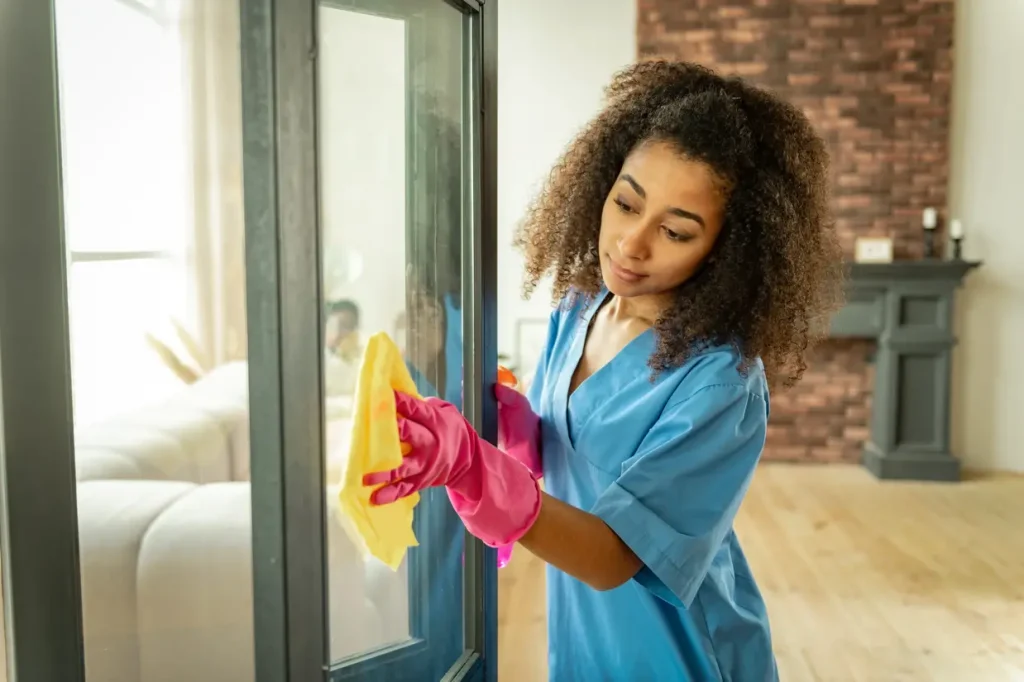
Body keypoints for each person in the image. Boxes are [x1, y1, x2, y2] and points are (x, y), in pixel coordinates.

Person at [364, 60, 844, 680]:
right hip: (584, 639)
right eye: (625, 203)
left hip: (678, 656)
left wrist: (475, 470)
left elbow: (614, 555)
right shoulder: (581, 306)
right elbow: (560, 451)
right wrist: (515, 429)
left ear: (727, 250)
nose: (630, 243)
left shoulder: (720, 384)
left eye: (674, 231)